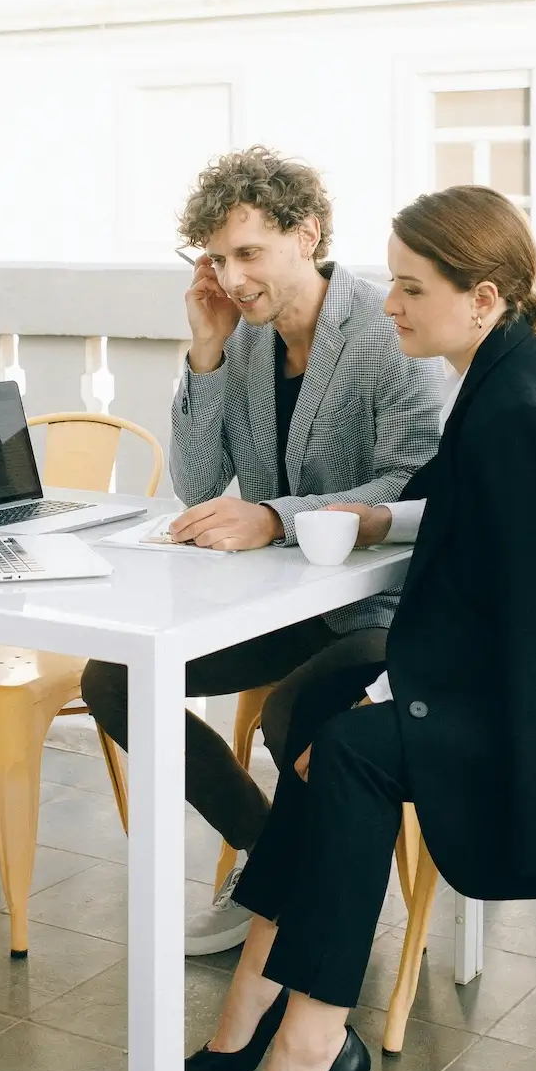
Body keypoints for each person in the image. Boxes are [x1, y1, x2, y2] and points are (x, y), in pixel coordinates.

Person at [184, 184, 536, 1071]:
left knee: (348, 748)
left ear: (485, 297)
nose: (389, 305)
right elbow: (484, 569)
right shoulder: (514, 371)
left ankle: (306, 1045)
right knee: (330, 713)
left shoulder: (513, 408)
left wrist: (396, 695)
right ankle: (254, 1003)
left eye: (414, 288)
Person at [80, 148, 444, 954]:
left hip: (385, 606)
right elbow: (202, 483)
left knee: (293, 715)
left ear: (306, 234)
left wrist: (275, 517)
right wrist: (205, 353)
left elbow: (417, 485)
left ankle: (291, 894)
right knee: (115, 681)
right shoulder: (244, 338)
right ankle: (271, 854)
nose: (232, 276)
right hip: (286, 600)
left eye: (248, 253)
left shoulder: (388, 328)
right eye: (215, 257)